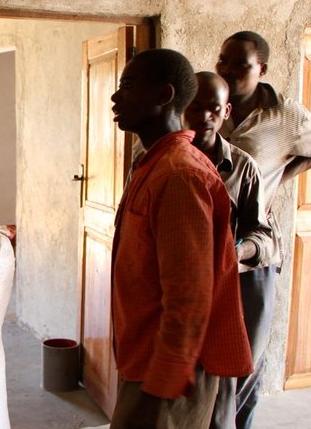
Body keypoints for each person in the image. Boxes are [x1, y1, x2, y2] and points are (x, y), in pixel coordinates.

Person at [109, 49, 252, 428]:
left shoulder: (178, 175)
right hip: (147, 362)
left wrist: (161, 387)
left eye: (128, 86)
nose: (115, 96)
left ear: (163, 96)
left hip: (170, 376)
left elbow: (189, 295)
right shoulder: (152, 163)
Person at [215, 31, 311, 429]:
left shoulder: (285, 116)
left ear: (262, 69)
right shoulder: (211, 104)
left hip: (253, 253)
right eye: (224, 61)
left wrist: (278, 177)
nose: (229, 70)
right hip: (206, 249)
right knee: (210, 354)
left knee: (249, 357)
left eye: (241, 64)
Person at [184, 71, 273, 428]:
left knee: (226, 391)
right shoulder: (157, 159)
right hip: (180, 291)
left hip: (229, 290)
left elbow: (263, 236)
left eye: (214, 109)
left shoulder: (243, 168)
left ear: (226, 112)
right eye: (195, 105)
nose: (204, 116)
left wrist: (236, 253)